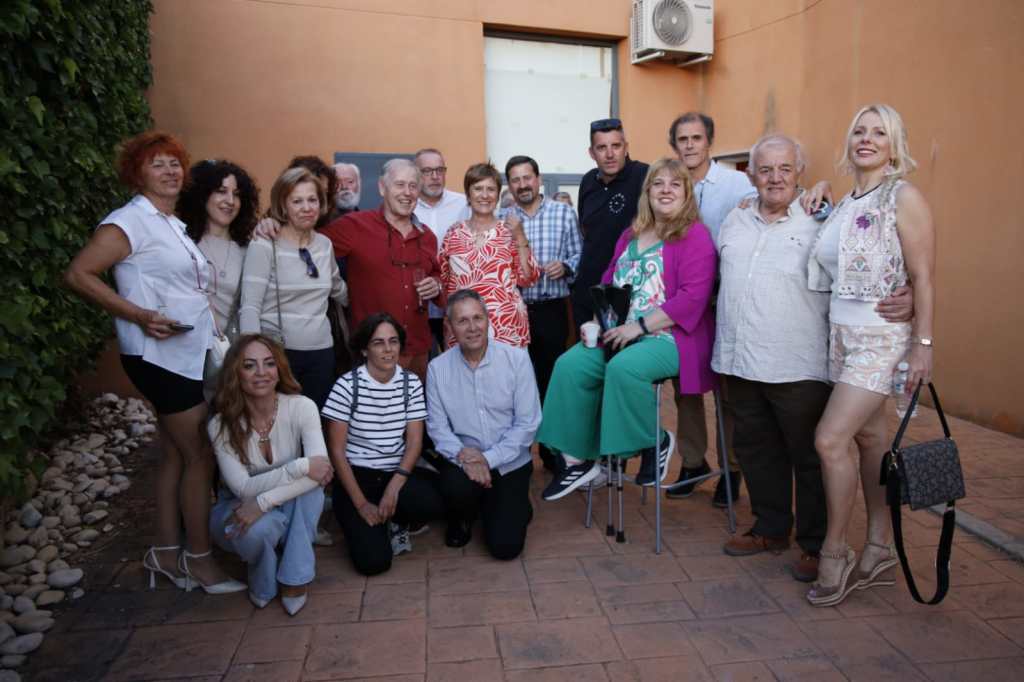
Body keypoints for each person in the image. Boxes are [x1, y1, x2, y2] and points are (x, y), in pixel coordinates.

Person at [63, 131, 241, 593]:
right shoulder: (129, 222)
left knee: (175, 454)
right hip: (159, 358)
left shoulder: (170, 223)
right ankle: (199, 560)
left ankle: (165, 553)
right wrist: (138, 315)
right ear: (137, 173)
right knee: (200, 454)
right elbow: (79, 273)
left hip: (184, 354)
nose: (169, 171)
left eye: (174, 163)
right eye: (156, 164)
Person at [806, 104, 936, 607]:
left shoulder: (904, 197)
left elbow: (923, 277)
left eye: (879, 133)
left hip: (882, 338)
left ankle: (835, 551)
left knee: (829, 439)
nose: (867, 139)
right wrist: (819, 187)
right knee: (869, 438)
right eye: (859, 130)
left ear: (893, 144)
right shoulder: (842, 202)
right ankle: (880, 546)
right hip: (841, 335)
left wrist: (922, 345)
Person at [539, 158, 717, 500]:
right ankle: (577, 459)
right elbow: (608, 283)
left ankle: (654, 442)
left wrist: (638, 327)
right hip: (622, 333)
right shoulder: (630, 235)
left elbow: (693, 298)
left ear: (686, 193)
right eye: (658, 183)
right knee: (570, 365)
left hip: (670, 336)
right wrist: (596, 322)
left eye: (675, 184)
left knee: (623, 368)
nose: (665, 190)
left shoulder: (694, 235)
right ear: (647, 192)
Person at [712, 134, 832, 580]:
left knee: (809, 458)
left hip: (797, 363)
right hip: (741, 359)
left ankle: (818, 545)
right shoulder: (735, 219)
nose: (775, 178)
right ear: (751, 175)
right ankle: (771, 528)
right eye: (765, 169)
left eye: (785, 168)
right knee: (756, 450)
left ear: (800, 172)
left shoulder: (822, 219)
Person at [664, 112, 755, 506]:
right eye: (682, 139)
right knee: (685, 386)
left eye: (696, 138)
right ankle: (693, 462)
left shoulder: (737, 184)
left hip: (725, 299)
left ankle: (732, 470)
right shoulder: (669, 183)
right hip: (685, 301)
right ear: (674, 145)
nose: (689, 145)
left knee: (727, 390)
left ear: (709, 142)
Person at [208, 334, 333, 614]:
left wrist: (263, 502)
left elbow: (322, 470)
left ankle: (294, 578)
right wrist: (300, 467)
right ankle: (262, 573)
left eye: (269, 363)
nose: (261, 372)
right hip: (237, 507)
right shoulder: (220, 424)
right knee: (259, 529)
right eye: (249, 365)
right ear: (235, 374)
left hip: (283, 502)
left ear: (279, 369)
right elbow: (242, 489)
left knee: (310, 492)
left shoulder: (302, 406)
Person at [322, 313, 444, 575]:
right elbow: (336, 451)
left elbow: (414, 442)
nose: (388, 349)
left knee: (438, 500)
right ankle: (371, 522)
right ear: (365, 349)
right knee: (374, 563)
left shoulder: (410, 383)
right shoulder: (347, 386)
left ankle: (396, 518)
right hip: (358, 477)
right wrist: (361, 504)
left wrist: (394, 487)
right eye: (378, 343)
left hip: (395, 472)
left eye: (393, 341)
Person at [426, 290, 541, 559]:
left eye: (478, 318)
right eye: (462, 320)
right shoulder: (437, 368)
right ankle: (463, 516)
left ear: (488, 319)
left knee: (505, 548)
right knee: (454, 488)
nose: (472, 327)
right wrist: (465, 457)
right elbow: (438, 428)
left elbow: (528, 423)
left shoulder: (517, 359)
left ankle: (510, 503)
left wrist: (487, 459)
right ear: (449, 326)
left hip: (509, 461)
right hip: (463, 462)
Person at [320, 159, 444, 381]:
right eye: (400, 185)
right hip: (372, 352)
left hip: (417, 351)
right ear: (381, 188)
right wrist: (272, 225)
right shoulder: (354, 226)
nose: (407, 192)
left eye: (413, 186)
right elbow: (307, 240)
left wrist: (436, 285)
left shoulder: (427, 237)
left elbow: (437, 276)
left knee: (416, 405)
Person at [239, 167, 348, 410]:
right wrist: (252, 355)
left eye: (312, 200)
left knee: (314, 422)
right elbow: (250, 305)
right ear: (283, 205)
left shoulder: (324, 245)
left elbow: (338, 289)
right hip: (277, 354)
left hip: (321, 354)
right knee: (278, 423)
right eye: (297, 201)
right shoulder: (265, 243)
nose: (306, 208)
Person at [502, 155, 582, 472]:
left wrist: (567, 266)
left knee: (551, 383)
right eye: (515, 179)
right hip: (514, 313)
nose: (522, 185)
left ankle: (550, 451)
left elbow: (579, 254)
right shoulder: (502, 218)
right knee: (516, 384)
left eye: (527, 178)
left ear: (538, 179)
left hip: (551, 310)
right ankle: (517, 453)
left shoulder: (563, 213)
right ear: (510, 185)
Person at [177, 159, 260, 394]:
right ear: (202, 194)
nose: (230, 201)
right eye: (221, 191)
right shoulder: (181, 241)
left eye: (237, 194)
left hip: (226, 357)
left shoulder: (249, 248)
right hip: (182, 351)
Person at [439, 163, 538, 348]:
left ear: (498, 195)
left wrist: (520, 236)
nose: (484, 195)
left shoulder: (510, 231)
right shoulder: (453, 234)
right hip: (462, 330)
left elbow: (529, 278)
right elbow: (444, 283)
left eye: (491, 189)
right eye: (478, 188)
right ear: (468, 194)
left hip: (506, 328)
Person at [572, 118, 649, 329]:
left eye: (616, 146)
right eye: (602, 148)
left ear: (626, 147)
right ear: (591, 153)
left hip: (627, 293)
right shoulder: (588, 181)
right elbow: (586, 230)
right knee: (586, 349)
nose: (609, 154)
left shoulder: (644, 175)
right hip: (587, 292)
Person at [412, 148, 472, 349]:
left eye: (440, 170)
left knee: (458, 358)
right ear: (415, 174)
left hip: (455, 301)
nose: (435, 176)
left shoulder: (463, 204)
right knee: (420, 358)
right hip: (418, 302)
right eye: (427, 171)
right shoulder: (407, 206)